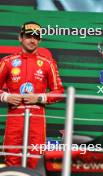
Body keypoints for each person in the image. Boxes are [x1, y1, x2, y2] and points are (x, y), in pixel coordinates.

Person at [0, 21, 64, 168]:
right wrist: (6, 97)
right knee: (12, 159)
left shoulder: (48, 63)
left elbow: (59, 92)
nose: (32, 40)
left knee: (36, 160)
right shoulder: (8, 62)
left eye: (36, 37)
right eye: (29, 36)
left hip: (37, 120)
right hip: (14, 118)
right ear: (20, 38)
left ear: (40, 40)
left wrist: (39, 97)